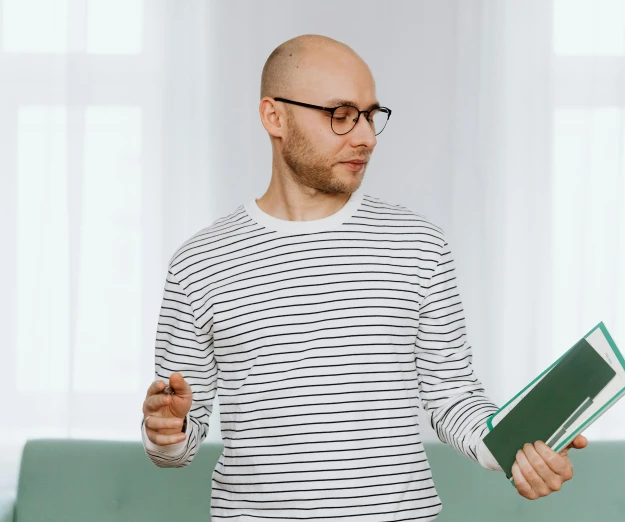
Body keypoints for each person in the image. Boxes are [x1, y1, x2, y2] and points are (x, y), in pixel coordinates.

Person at [140, 34, 588, 521]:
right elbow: (177, 442)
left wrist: (514, 448)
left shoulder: (419, 245)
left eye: (371, 115)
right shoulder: (200, 262)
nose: (366, 137)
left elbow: (452, 396)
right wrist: (166, 431)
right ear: (274, 117)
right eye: (341, 114)